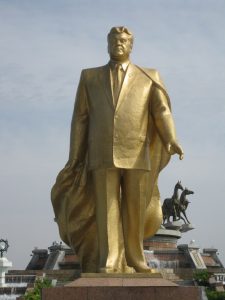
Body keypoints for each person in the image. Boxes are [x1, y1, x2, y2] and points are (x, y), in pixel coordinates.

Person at [51, 26, 184, 273]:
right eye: (114, 41)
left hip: (136, 152)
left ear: (131, 46)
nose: (118, 44)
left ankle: (135, 258)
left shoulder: (149, 76)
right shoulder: (89, 77)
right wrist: (75, 157)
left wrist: (170, 137)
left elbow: (161, 111)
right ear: (107, 44)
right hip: (101, 152)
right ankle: (110, 258)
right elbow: (80, 118)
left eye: (123, 41)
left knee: (135, 208)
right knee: (106, 208)